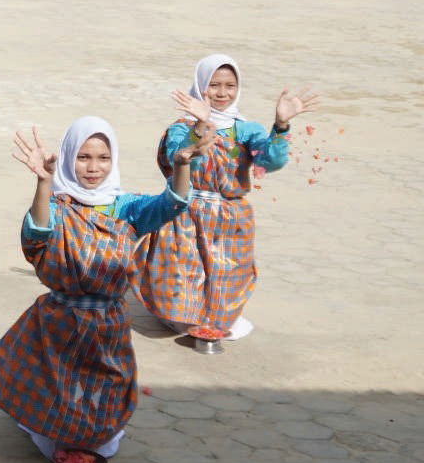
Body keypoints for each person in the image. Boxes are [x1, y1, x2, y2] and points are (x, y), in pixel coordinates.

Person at [0, 114, 214, 463]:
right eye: (83, 157)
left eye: (103, 158)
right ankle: (63, 445)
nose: (93, 167)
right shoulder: (58, 204)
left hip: (108, 323)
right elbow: (36, 237)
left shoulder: (125, 208)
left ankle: (90, 442)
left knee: (106, 388)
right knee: (60, 388)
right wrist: (43, 182)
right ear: (69, 157)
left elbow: (172, 205)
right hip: (60, 320)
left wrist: (182, 166)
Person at [135, 56, 319, 343]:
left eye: (230, 86)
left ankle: (214, 320)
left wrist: (281, 125)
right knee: (183, 269)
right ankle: (181, 316)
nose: (222, 93)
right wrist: (201, 125)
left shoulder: (246, 130)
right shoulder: (182, 127)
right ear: (200, 87)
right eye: (214, 85)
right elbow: (178, 160)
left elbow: (270, 161)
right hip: (185, 210)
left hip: (230, 215)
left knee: (227, 271)